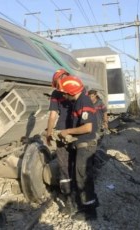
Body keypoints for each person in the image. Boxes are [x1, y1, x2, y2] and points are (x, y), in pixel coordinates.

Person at [56, 75, 99, 221]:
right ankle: (91, 204)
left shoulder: (83, 101)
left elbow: (87, 127)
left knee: (83, 179)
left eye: (64, 92)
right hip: (83, 145)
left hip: (86, 147)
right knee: (82, 177)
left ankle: (89, 213)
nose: (63, 95)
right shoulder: (80, 101)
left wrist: (68, 131)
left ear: (71, 91)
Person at [45, 69, 75, 214]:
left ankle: (69, 203)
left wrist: (49, 133)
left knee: (64, 166)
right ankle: (77, 198)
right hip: (77, 132)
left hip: (63, 133)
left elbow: (52, 115)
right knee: (76, 165)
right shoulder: (77, 89)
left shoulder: (56, 94)